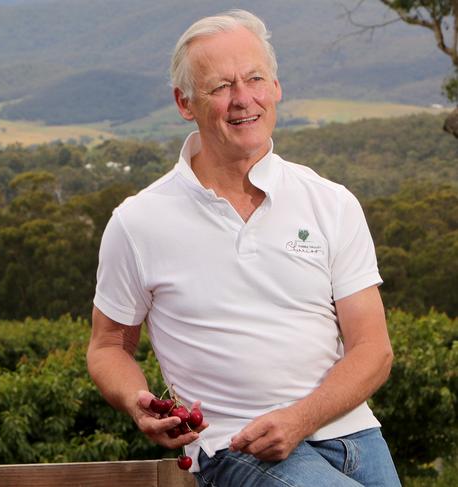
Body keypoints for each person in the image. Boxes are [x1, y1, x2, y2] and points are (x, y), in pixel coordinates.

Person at [86, 9, 401, 487]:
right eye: (220, 87)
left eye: (254, 78)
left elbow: (373, 349)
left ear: (275, 87)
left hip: (357, 438)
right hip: (238, 446)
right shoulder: (138, 222)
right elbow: (108, 346)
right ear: (184, 102)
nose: (242, 100)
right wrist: (136, 402)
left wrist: (301, 418)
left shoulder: (331, 202)